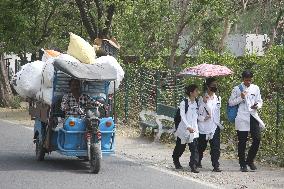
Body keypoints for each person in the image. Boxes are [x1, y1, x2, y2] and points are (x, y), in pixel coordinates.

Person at [228, 70, 265, 172]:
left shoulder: (255, 88)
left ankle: (250, 160)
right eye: (246, 80)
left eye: (250, 80)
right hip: (241, 117)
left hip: (252, 115)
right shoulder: (237, 89)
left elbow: (259, 101)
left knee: (257, 139)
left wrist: (257, 105)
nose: (248, 82)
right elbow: (231, 103)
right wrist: (241, 97)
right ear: (242, 79)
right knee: (242, 142)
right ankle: (242, 164)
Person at [172, 84, 200, 173]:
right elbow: (182, 117)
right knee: (180, 148)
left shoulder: (197, 102)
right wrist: (188, 127)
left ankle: (193, 165)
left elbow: (197, 116)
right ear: (191, 93)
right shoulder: (184, 103)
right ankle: (176, 160)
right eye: (196, 91)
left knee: (194, 148)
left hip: (194, 130)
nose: (197, 92)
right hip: (184, 130)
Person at [197, 77, 222, 172]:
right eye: (213, 86)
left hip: (214, 126)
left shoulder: (218, 98)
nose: (215, 87)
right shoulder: (201, 98)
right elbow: (198, 112)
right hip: (203, 126)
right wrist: (204, 102)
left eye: (216, 85)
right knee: (201, 146)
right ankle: (198, 160)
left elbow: (217, 112)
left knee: (216, 147)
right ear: (208, 87)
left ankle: (216, 165)